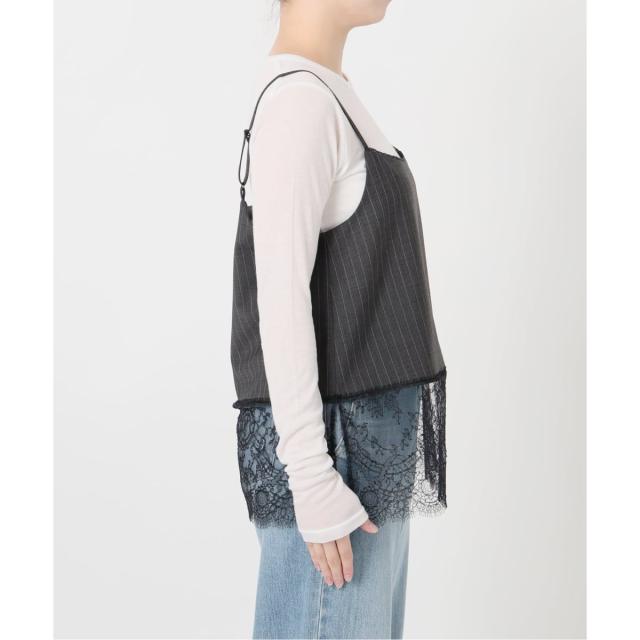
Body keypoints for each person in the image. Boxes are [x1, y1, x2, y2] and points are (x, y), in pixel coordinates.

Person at [230, 1, 447, 637]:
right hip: (335, 456)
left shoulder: (328, 92)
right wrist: (313, 478)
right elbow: (280, 302)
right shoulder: (300, 103)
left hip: (361, 454)